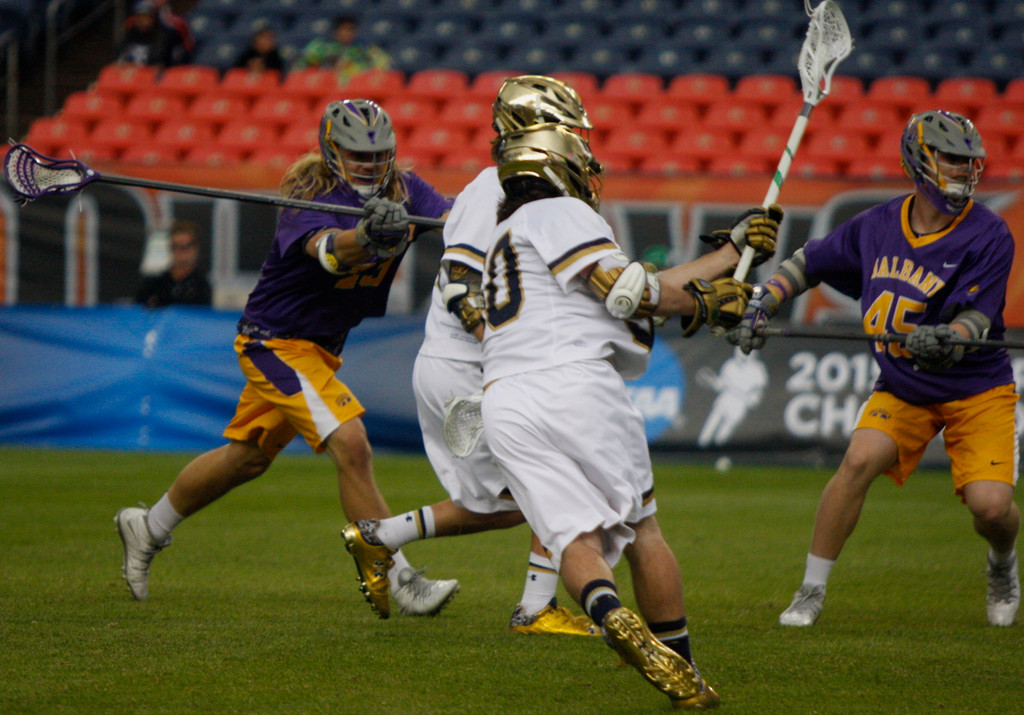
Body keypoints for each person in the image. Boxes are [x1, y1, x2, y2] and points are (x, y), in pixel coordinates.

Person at [115, 99, 459, 620]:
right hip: (275, 342)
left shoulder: (406, 190)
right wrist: (366, 236)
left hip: (321, 347)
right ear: (331, 150)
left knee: (247, 457)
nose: (370, 164)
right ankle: (398, 574)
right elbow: (328, 252)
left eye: (380, 154)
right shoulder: (311, 192)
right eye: (356, 154)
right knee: (352, 442)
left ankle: (149, 525)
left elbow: (456, 222)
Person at [478, 125, 780, 709]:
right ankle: (684, 672)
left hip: (504, 400)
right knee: (644, 530)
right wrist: (705, 303)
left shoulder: (504, 237)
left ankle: (609, 612)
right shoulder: (560, 212)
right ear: (559, 170)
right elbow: (626, 293)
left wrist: (731, 254)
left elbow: (638, 290)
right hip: (573, 383)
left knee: (573, 538)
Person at [730, 110, 1020, 628]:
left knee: (992, 509)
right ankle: (811, 590)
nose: (963, 170)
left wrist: (949, 337)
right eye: (952, 158)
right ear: (920, 158)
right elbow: (807, 263)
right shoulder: (877, 224)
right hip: (906, 386)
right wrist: (761, 304)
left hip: (976, 388)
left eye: (969, 161)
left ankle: (1002, 562)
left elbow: (979, 316)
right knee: (858, 461)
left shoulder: (989, 233)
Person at [346, 77, 604, 637]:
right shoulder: (492, 189)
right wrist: (507, 355)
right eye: (562, 130)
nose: (576, 142)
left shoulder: (532, 189)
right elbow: (462, 286)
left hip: (476, 364)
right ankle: (535, 611)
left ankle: (379, 537)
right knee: (560, 481)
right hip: (472, 364)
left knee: (513, 505)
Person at [293, 14, 391, 84]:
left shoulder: (364, 49)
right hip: (324, 85)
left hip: (355, 87)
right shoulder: (321, 47)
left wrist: (359, 69)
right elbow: (300, 64)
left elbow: (383, 63)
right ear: (336, 31)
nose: (347, 33)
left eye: (350, 30)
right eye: (344, 29)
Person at [135, 220, 212, 308]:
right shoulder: (155, 285)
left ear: (195, 249)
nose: (179, 252)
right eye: (175, 246)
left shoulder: (202, 287)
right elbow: (137, 313)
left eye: (184, 247)